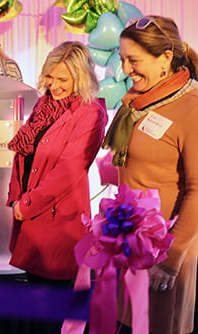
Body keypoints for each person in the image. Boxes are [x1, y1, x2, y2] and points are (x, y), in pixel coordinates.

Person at [103, 15, 198, 334]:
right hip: (129, 246)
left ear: (165, 59)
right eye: (122, 59)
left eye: (134, 60)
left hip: (164, 256)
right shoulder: (136, 104)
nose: (126, 69)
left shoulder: (191, 108)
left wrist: (170, 263)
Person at [6, 41, 107, 333]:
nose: (54, 85)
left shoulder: (90, 113)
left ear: (82, 78)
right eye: (50, 77)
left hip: (57, 221)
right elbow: (25, 155)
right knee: (35, 310)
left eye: (62, 79)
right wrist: (16, 198)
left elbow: (69, 170)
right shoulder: (44, 104)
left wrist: (26, 205)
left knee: (51, 314)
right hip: (32, 219)